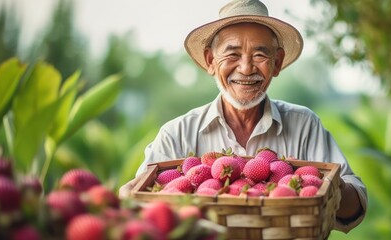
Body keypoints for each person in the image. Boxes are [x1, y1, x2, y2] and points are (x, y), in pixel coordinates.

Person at [119, 0, 367, 232]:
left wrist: (327, 186)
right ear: (210, 61)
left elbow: (354, 206)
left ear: (277, 63)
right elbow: (141, 209)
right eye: (232, 54)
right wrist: (130, 198)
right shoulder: (177, 134)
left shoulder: (304, 125)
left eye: (260, 55)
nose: (246, 68)